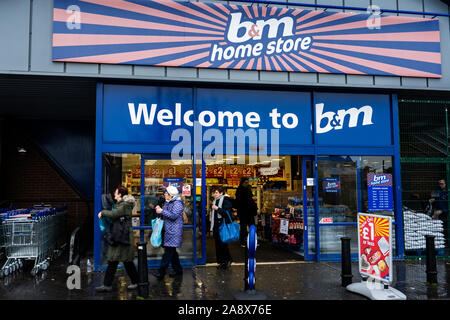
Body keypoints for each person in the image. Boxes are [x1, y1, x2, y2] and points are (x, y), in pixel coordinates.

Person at [95, 186, 139, 293]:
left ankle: (136, 282)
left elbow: (114, 214)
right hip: (119, 236)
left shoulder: (124, 206)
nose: (114, 194)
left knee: (126, 261)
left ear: (120, 194)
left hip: (123, 238)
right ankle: (107, 285)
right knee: (113, 261)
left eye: (116, 192)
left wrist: (103, 212)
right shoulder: (120, 205)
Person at [152, 185, 184, 280]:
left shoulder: (177, 203)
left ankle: (161, 272)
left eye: (166, 193)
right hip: (168, 230)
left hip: (174, 231)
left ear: (171, 195)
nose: (165, 194)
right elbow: (165, 213)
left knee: (168, 252)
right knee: (172, 252)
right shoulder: (168, 202)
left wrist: (162, 211)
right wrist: (159, 210)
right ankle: (178, 270)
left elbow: (174, 216)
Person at [211, 186, 233, 269]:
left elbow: (227, 213)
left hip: (222, 226)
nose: (214, 194)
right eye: (214, 192)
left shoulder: (226, 200)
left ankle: (227, 260)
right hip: (216, 226)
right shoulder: (215, 200)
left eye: (216, 192)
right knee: (218, 245)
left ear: (221, 193)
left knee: (223, 244)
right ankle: (221, 262)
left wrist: (217, 208)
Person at [235, 177, 257, 247]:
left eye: (248, 182)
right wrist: (251, 198)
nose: (247, 184)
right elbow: (240, 200)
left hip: (249, 211)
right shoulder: (239, 190)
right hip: (243, 211)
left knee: (252, 226)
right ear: (242, 183)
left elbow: (250, 196)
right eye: (246, 183)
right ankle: (243, 241)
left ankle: (253, 240)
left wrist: (252, 198)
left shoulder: (248, 189)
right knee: (243, 227)